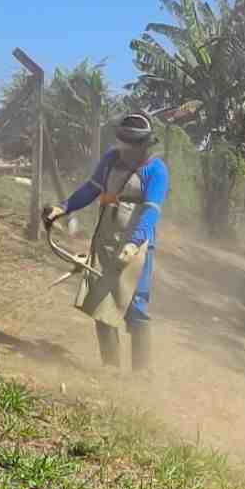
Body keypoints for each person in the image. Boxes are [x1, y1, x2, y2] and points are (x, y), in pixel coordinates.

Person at [43, 112, 169, 373]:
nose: (125, 150)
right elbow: (91, 189)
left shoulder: (156, 170)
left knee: (135, 306)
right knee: (102, 302)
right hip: (106, 240)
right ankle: (110, 368)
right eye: (122, 143)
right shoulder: (111, 160)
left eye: (132, 146)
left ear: (145, 145)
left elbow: (151, 211)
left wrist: (133, 244)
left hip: (138, 246)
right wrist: (63, 207)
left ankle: (141, 374)